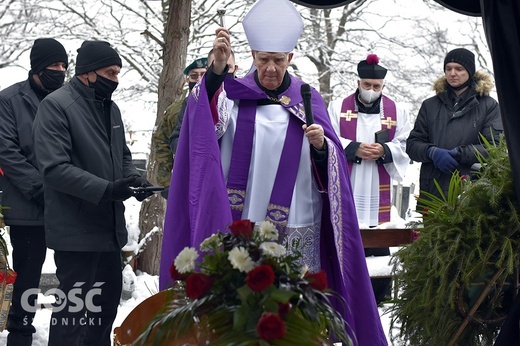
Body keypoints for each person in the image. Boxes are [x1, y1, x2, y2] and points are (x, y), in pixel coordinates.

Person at [159, 0, 387, 345]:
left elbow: (335, 168)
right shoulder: (230, 96)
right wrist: (216, 72)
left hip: (298, 217)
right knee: (239, 308)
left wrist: (322, 146)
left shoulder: (307, 98)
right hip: (241, 218)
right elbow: (200, 127)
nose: (269, 68)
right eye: (263, 59)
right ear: (252, 55)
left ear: (290, 59)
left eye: (278, 61)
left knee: (292, 313)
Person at [32, 40, 153, 346]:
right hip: (75, 231)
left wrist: (133, 179)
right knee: (73, 316)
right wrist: (108, 189)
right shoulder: (57, 106)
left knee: (105, 309)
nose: (116, 79)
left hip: (108, 230)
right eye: (110, 72)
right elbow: (54, 169)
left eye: (118, 73)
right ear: (87, 72)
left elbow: (123, 155)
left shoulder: (110, 109)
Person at [327, 54, 412, 304]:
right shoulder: (337, 108)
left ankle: (379, 295)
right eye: (367, 85)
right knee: (346, 232)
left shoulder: (398, 111)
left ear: (383, 86)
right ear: (358, 82)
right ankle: (344, 293)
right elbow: (329, 138)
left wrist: (385, 150)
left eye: (377, 86)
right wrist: (353, 148)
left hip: (379, 189)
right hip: (349, 183)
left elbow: (406, 143)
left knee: (377, 236)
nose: (372, 90)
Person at [0, 38, 68, 346]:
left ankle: (68, 332)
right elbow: (7, 151)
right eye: (54, 65)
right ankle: (20, 333)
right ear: (38, 67)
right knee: (28, 274)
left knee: (73, 275)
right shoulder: (9, 100)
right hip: (29, 204)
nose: (60, 71)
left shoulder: (70, 98)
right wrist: (39, 187)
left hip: (68, 203)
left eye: (64, 65)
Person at [406, 48, 503, 205]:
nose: (452, 73)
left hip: (472, 190)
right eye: (448, 68)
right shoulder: (429, 105)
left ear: (470, 72)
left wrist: (460, 154)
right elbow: (412, 145)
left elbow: (494, 147)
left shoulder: (488, 106)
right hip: (433, 191)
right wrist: (431, 152)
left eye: (459, 69)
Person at [153, 57, 208, 199]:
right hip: (184, 179)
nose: (199, 79)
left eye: (203, 74)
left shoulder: (226, 105)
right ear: (187, 80)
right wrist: (166, 183)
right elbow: (161, 144)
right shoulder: (174, 111)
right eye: (194, 76)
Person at [168, 50, 238, 158]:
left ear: (235, 69)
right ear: (209, 69)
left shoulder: (246, 98)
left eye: (227, 67)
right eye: (218, 66)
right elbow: (177, 138)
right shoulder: (194, 100)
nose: (223, 72)